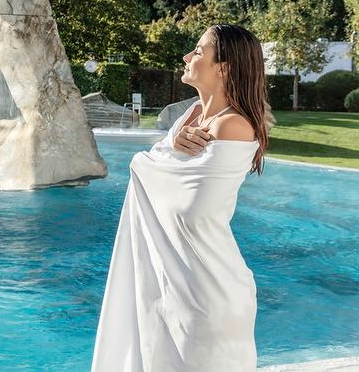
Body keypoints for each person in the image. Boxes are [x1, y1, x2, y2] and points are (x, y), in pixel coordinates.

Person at [90, 24, 268, 372]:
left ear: (224, 67)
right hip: (171, 289)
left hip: (205, 295)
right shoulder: (190, 119)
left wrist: (163, 158)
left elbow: (191, 208)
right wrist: (169, 149)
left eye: (199, 51)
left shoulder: (233, 127)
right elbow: (150, 169)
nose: (188, 57)